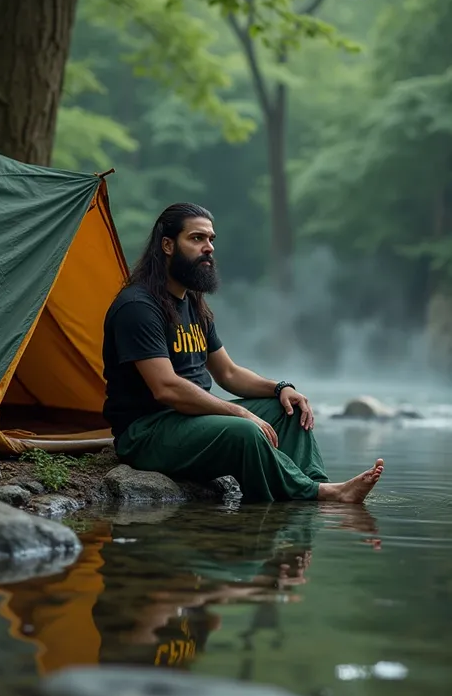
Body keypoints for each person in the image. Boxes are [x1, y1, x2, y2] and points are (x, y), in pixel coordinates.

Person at [102, 203, 384, 503]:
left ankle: (311, 486)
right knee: (244, 431)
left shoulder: (193, 305)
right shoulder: (139, 306)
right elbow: (166, 388)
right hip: (148, 432)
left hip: (190, 421)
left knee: (287, 410)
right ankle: (325, 494)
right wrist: (239, 411)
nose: (208, 248)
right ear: (168, 245)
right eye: (197, 239)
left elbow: (228, 373)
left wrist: (281, 388)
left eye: (211, 239)